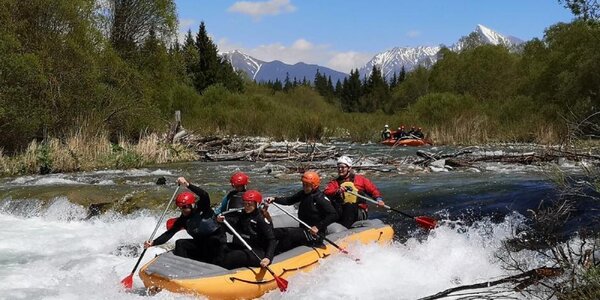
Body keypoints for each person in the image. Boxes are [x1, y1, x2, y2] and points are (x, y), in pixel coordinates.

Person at [144, 177, 226, 264]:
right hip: (201, 243)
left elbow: (204, 194)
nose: (183, 210)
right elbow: (169, 234)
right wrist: (153, 243)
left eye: (185, 207)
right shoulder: (183, 219)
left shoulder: (203, 207)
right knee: (180, 243)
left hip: (217, 241)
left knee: (212, 242)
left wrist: (187, 185)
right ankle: (183, 266)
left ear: (192, 204)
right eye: (181, 208)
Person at [265, 171, 338, 253]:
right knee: (277, 232)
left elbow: (333, 215)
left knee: (289, 234)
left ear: (314, 186)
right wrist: (275, 199)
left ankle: (276, 254)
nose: (304, 187)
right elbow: (289, 201)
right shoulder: (303, 193)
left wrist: (318, 227)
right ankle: (265, 250)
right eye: (303, 184)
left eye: (307, 185)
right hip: (303, 229)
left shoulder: (320, 198)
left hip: (314, 235)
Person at [216, 190, 277, 270]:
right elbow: (231, 227)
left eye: (250, 204)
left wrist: (268, 258)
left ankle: (221, 273)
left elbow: (271, 240)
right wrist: (221, 221)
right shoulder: (242, 215)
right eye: (245, 203)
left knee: (235, 256)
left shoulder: (261, 218)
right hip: (243, 246)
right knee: (219, 248)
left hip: (257, 251)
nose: (246, 206)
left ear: (257, 204)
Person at [324, 156, 385, 229]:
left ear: (349, 168)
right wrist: (337, 191)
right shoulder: (334, 183)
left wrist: (378, 199)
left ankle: (345, 230)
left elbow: (373, 190)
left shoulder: (360, 180)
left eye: (343, 167)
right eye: (338, 167)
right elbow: (326, 192)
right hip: (341, 212)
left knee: (349, 205)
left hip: (359, 212)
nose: (340, 169)